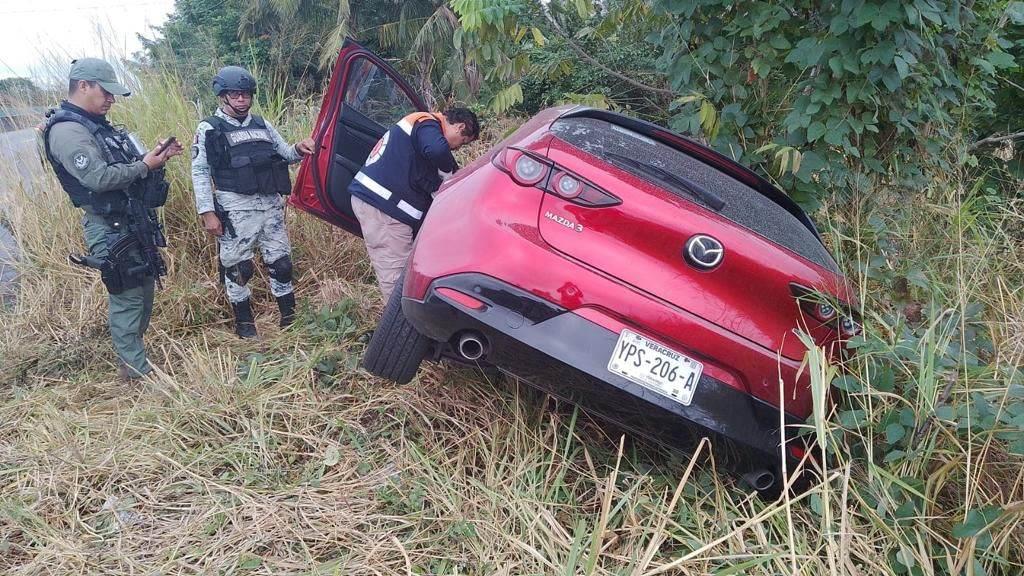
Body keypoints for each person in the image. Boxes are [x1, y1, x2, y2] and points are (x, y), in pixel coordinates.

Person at [42, 58, 184, 380]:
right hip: (109, 227)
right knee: (127, 297)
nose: (111, 100)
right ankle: (135, 372)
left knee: (144, 292)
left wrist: (155, 159)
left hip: (130, 220)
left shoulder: (97, 127)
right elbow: (98, 178)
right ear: (83, 86)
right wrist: (144, 166)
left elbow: (126, 168)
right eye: (106, 92)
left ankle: (132, 356)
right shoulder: (67, 131)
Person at [191, 66, 316, 338]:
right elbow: (199, 170)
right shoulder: (209, 128)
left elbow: (284, 153)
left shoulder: (262, 124)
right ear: (222, 96)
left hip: (270, 207)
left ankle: (289, 318)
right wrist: (207, 212)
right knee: (239, 269)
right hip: (235, 209)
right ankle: (245, 326)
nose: (241, 100)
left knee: (282, 265)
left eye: (246, 95)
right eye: (235, 95)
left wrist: (300, 148)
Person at [349, 108, 479, 300]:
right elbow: (438, 150)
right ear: (460, 127)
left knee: (402, 274)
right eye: (462, 143)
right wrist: (447, 172)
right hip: (385, 211)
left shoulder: (421, 129)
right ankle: (397, 327)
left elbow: (422, 173)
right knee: (396, 279)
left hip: (382, 208)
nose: (457, 149)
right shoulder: (426, 123)